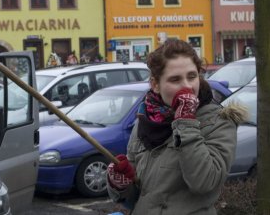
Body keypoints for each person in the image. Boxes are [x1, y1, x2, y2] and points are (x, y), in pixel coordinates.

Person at [106, 39, 247, 214]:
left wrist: (185, 121)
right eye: (175, 79)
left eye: (192, 76)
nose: (187, 86)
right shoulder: (145, 122)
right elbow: (136, 198)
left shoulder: (218, 121)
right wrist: (120, 184)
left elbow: (205, 182)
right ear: (155, 85)